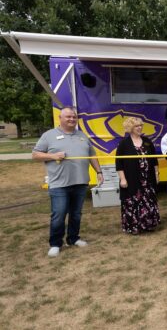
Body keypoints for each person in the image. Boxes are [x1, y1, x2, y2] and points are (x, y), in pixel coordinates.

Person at [33, 107, 104, 257]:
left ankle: (73, 238)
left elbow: (92, 155)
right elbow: (35, 154)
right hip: (59, 184)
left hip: (80, 182)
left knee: (76, 214)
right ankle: (55, 243)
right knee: (59, 214)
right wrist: (53, 156)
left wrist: (99, 172)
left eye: (74, 117)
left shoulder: (82, 136)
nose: (72, 119)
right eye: (68, 117)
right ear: (60, 118)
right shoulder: (49, 135)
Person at [115, 117, 160, 234]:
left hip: (147, 179)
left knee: (148, 201)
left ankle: (149, 225)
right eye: (136, 126)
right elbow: (119, 163)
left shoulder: (147, 141)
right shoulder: (124, 144)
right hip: (131, 180)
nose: (139, 128)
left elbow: (154, 160)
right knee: (133, 202)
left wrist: (156, 174)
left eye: (140, 125)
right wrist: (122, 179)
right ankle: (134, 227)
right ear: (130, 128)